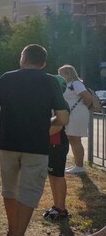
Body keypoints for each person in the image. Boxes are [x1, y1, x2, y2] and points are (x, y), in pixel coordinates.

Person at [0, 44, 69, 236]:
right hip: (37, 146)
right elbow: (62, 117)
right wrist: (49, 127)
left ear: (22, 59)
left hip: (8, 143)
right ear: (43, 63)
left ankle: (12, 230)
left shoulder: (6, 78)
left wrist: (10, 122)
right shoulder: (50, 81)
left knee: (10, 189)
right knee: (29, 192)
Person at [43, 75, 71, 221]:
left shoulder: (60, 103)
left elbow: (58, 126)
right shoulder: (50, 102)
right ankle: (56, 205)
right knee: (52, 175)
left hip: (57, 144)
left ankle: (61, 209)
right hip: (50, 144)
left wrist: (39, 136)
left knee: (58, 176)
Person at [58, 64, 92, 174]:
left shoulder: (76, 84)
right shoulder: (68, 84)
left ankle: (80, 166)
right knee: (73, 139)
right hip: (73, 114)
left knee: (75, 139)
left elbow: (88, 98)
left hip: (76, 114)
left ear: (68, 73)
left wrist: (81, 108)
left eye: (61, 73)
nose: (60, 75)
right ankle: (78, 165)